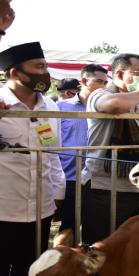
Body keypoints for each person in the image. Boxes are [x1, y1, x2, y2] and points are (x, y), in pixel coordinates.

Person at [82, 53, 139, 244]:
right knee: (102, 249)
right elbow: (113, 106)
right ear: (120, 74)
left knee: (134, 249)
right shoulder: (101, 93)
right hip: (105, 190)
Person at [0, 41, 65, 275]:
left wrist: (59, 191)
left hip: (40, 209)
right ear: (15, 72)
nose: (45, 73)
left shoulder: (50, 106)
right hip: (3, 208)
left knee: (29, 269)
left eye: (46, 67)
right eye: (39, 66)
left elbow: (53, 152)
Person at [55, 64, 108, 246]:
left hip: (97, 177)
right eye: (99, 81)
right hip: (69, 176)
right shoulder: (59, 108)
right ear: (84, 81)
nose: (103, 86)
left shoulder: (106, 109)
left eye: (105, 83)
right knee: (68, 226)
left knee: (95, 227)